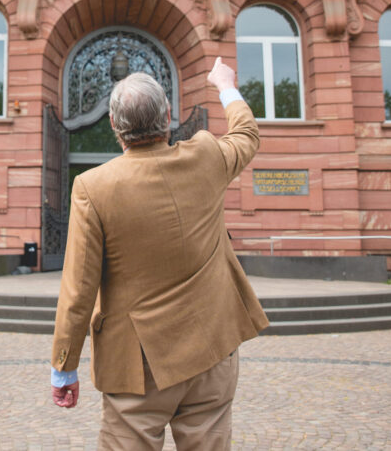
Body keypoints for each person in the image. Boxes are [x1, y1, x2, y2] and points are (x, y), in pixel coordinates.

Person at [49, 57, 269, 450]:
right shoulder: (207, 156)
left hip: (137, 365)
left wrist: (64, 367)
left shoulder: (93, 187)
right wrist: (225, 85)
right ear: (168, 115)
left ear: (115, 126)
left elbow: (79, 289)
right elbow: (247, 133)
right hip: (212, 350)